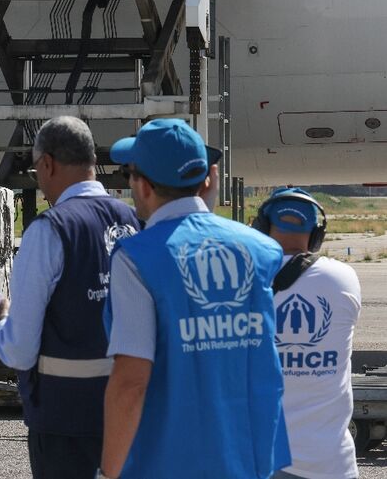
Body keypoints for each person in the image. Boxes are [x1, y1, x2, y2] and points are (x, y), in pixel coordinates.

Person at [99, 118, 290, 479]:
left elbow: (130, 382)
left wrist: (107, 473)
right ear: (207, 179)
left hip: (168, 461)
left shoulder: (137, 258)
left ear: (142, 185)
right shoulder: (262, 250)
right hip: (247, 459)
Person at [0, 116, 140, 479]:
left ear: (47, 163)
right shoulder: (133, 221)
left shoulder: (50, 231)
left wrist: (1, 320)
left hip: (66, 422)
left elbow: (20, 349)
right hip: (130, 415)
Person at [254, 188, 360, 479]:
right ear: (316, 234)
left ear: (261, 227)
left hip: (264, 462)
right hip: (331, 465)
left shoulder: (245, 279)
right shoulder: (343, 278)